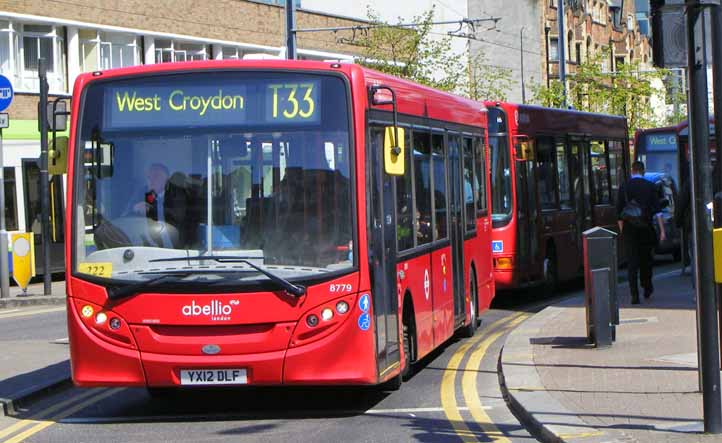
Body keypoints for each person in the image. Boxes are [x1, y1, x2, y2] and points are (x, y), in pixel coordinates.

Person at [617, 161, 666, 304]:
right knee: (646, 260)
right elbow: (658, 212)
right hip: (646, 226)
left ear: (632, 171)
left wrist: (623, 231)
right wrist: (662, 231)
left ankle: (634, 294)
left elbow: (619, 213)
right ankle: (647, 287)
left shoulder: (623, 187)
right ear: (643, 171)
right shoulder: (650, 187)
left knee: (632, 262)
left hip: (629, 229)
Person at [128, 163, 188, 248]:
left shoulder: (176, 193)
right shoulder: (142, 192)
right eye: (149, 176)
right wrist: (134, 208)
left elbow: (177, 215)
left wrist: (151, 209)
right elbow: (126, 214)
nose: (152, 180)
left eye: (157, 176)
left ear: (166, 180)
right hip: (144, 242)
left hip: (173, 243)